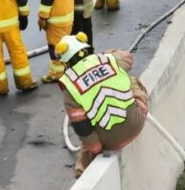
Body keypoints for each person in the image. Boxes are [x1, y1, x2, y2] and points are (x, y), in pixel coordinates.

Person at [56, 33, 149, 178]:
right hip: (137, 123)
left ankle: (82, 170)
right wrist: (108, 55)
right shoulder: (107, 59)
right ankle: (142, 108)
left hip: (110, 142)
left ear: (66, 62)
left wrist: (96, 148)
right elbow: (128, 58)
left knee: (87, 140)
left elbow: (82, 128)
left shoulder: (70, 86)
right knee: (130, 80)